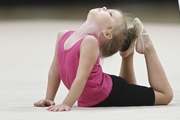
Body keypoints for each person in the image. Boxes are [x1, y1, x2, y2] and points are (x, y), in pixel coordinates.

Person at [34, 7, 173, 112]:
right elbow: (54, 71)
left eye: (110, 14)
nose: (105, 8)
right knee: (130, 90)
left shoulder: (89, 41)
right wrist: (49, 99)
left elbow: (82, 77)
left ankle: (148, 47)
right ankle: (128, 53)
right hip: (99, 92)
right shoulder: (62, 35)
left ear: (107, 33)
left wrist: (66, 103)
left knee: (165, 96)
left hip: (107, 92)